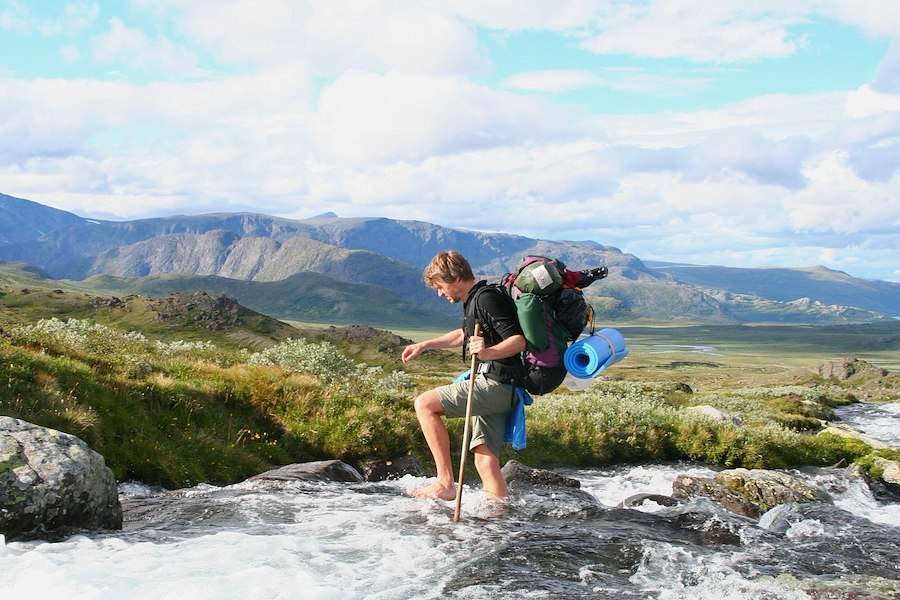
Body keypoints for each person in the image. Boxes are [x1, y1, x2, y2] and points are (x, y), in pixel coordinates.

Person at [401, 250, 525, 502]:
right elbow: (463, 335)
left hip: (495, 385)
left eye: (440, 285)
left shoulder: (486, 299)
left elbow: (518, 340)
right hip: (501, 386)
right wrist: (425, 345)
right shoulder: (475, 300)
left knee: (424, 404)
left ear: (456, 277)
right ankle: (499, 515)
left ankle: (445, 483)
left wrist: (488, 352)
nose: (440, 292)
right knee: (484, 459)